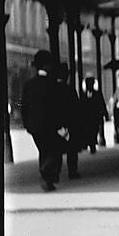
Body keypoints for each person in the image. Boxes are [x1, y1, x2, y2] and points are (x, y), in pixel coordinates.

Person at [20, 50, 67, 191]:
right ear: (47, 66)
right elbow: (57, 107)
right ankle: (47, 174)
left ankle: (47, 176)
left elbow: (23, 106)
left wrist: (27, 123)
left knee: (44, 150)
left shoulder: (28, 85)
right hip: (50, 125)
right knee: (54, 150)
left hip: (34, 126)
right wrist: (61, 124)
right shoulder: (53, 85)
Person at [55, 63, 82, 179]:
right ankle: (72, 171)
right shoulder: (70, 90)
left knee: (56, 149)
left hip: (56, 123)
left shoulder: (52, 89)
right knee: (72, 150)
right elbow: (77, 108)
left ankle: (55, 172)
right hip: (70, 123)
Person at [78, 76, 109, 154]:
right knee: (88, 131)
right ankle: (89, 144)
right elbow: (80, 105)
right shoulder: (83, 95)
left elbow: (102, 104)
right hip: (86, 117)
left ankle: (92, 144)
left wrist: (105, 114)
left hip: (95, 116)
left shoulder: (97, 94)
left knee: (93, 130)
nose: (89, 85)